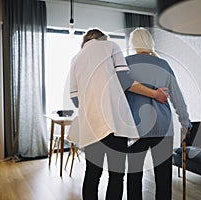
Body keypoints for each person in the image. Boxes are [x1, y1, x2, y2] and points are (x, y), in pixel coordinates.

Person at [69, 29, 168, 200]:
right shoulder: (111, 46)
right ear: (103, 38)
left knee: (92, 174)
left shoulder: (76, 58)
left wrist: (90, 107)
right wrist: (154, 94)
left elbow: (75, 98)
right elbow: (125, 80)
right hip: (113, 123)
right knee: (116, 174)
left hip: (90, 125)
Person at [125, 27, 192, 200]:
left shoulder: (126, 63)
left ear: (133, 43)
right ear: (150, 42)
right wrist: (185, 122)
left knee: (134, 175)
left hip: (136, 128)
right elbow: (177, 97)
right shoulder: (163, 64)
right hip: (163, 127)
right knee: (163, 177)